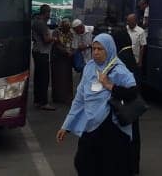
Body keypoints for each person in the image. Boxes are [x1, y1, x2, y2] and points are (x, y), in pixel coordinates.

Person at [56, 34, 138, 176]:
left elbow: (133, 93)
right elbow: (79, 99)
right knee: (82, 163)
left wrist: (109, 85)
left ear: (109, 49)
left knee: (111, 167)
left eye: (100, 49)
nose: (96, 52)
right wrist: (66, 126)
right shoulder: (89, 68)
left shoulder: (118, 69)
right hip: (91, 123)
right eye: (94, 48)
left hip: (112, 127)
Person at [111, 28, 142, 174]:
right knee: (134, 134)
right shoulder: (130, 55)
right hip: (133, 103)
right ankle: (133, 165)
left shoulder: (120, 58)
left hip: (124, 103)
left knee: (124, 134)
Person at [31, 4, 56, 111]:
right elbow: (46, 40)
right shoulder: (41, 24)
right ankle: (44, 102)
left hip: (37, 51)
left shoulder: (35, 21)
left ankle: (37, 101)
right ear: (46, 12)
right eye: (49, 12)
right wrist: (54, 38)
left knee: (38, 78)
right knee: (44, 78)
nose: (50, 15)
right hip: (42, 52)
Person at [51, 18, 76, 104]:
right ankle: (57, 97)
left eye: (68, 27)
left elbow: (73, 43)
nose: (68, 29)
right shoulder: (56, 32)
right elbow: (56, 45)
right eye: (66, 27)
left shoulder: (70, 33)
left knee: (67, 79)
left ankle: (67, 97)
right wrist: (66, 51)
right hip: (58, 59)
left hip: (67, 59)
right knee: (57, 78)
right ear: (62, 26)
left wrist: (72, 51)